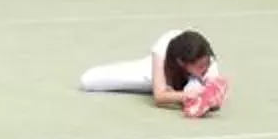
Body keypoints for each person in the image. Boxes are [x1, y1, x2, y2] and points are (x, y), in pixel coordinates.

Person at [76, 29, 226, 117]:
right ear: (181, 62)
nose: (205, 67)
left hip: (184, 83)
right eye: (200, 66)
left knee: (195, 85)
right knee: (89, 81)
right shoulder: (164, 45)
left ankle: (185, 88)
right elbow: (159, 96)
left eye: (206, 63)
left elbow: (213, 96)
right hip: (152, 74)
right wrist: (186, 96)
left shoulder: (208, 62)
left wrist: (209, 99)